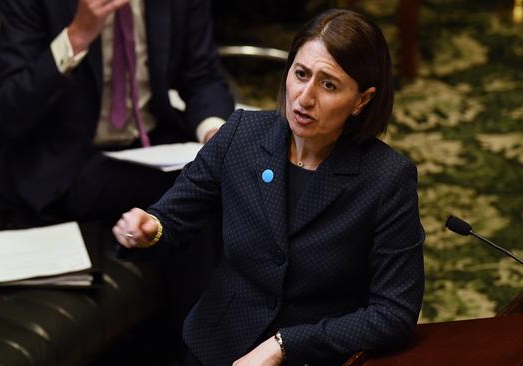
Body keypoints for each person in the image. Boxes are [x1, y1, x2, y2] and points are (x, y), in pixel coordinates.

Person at [113, 8, 425, 366]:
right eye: (301, 74)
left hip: (314, 357)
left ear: (362, 100)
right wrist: (150, 228)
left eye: (328, 85)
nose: (304, 98)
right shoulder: (241, 135)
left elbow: (395, 313)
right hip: (217, 346)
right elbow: (172, 217)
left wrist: (285, 344)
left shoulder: (387, 178)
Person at [0, 0, 235, 225]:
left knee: (228, 173)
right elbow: (8, 112)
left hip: (152, 143)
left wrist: (213, 132)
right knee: (190, 191)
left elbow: (203, 78)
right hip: (69, 159)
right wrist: (76, 36)